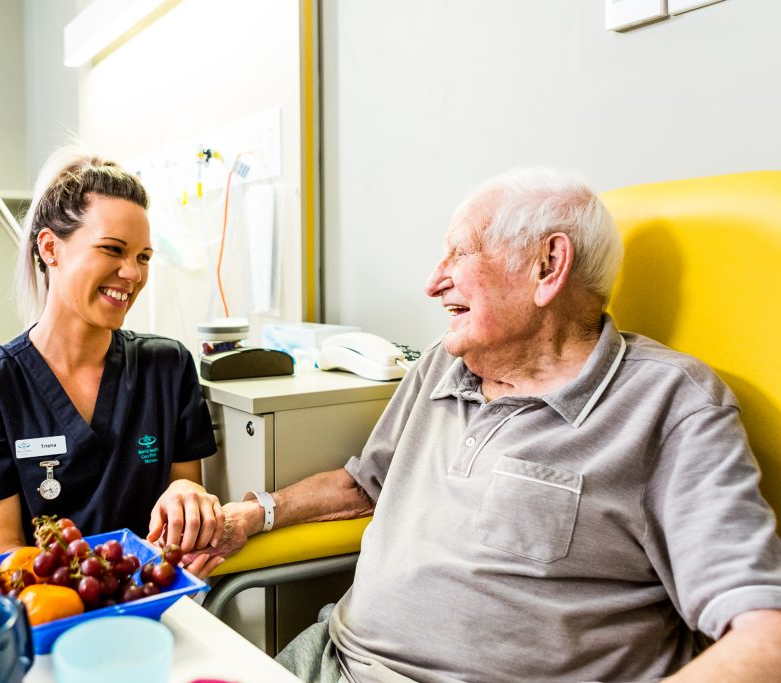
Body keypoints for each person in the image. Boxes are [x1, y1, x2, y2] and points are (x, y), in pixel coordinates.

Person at [195, 168, 781, 681]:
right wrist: (252, 513)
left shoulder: (671, 403)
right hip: (334, 658)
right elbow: (362, 487)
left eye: (460, 253)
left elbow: (764, 636)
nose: (433, 282)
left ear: (548, 265)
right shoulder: (442, 363)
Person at [0, 148, 224, 577]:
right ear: (51, 248)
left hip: (157, 608)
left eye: (144, 257)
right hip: (50, 622)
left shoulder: (167, 366)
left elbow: (180, 496)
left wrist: (186, 494)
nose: (132, 273)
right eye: (113, 250)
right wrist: (131, 582)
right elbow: (7, 565)